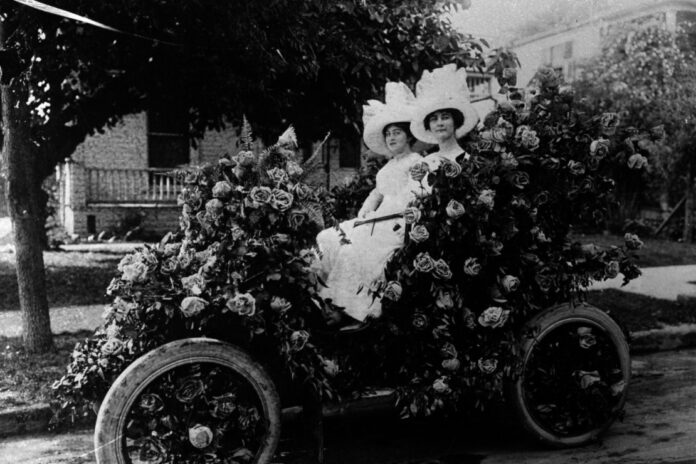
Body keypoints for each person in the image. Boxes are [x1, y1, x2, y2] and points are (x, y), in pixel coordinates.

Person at [316, 82, 423, 324]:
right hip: (377, 220)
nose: (391, 137)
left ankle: (347, 309)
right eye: (388, 134)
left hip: (396, 225)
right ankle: (322, 300)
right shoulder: (389, 165)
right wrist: (365, 212)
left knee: (351, 251)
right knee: (326, 238)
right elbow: (377, 192)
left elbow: (414, 196)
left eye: (397, 132)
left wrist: (379, 218)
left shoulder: (416, 161)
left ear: (408, 135)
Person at [409, 64, 479, 186]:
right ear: (429, 126)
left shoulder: (469, 161)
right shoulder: (425, 163)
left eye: (445, 117)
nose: (440, 123)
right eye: (434, 119)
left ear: (455, 122)